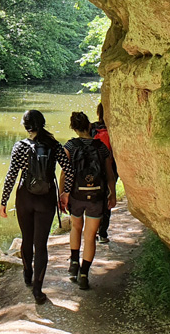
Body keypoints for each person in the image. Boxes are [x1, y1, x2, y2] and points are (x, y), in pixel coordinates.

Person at [0, 110, 75, 304]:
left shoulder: (20, 147)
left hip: (25, 197)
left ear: (26, 127)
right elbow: (69, 170)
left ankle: (27, 273)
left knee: (27, 238)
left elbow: (11, 176)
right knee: (40, 244)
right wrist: (64, 193)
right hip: (46, 199)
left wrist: (3, 202)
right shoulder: (54, 145)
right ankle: (38, 290)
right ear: (43, 124)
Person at [60, 111, 116, 290]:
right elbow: (110, 174)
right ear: (89, 126)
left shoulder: (70, 146)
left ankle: (73, 264)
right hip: (97, 196)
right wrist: (112, 194)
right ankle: (84, 274)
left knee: (76, 227)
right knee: (90, 236)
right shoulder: (101, 147)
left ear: (73, 128)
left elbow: (64, 173)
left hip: (77, 196)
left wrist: (62, 194)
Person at [89, 103, 116, 243]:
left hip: (93, 170)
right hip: (110, 168)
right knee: (107, 199)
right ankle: (103, 233)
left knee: (94, 198)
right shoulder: (114, 129)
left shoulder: (92, 128)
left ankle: (91, 232)